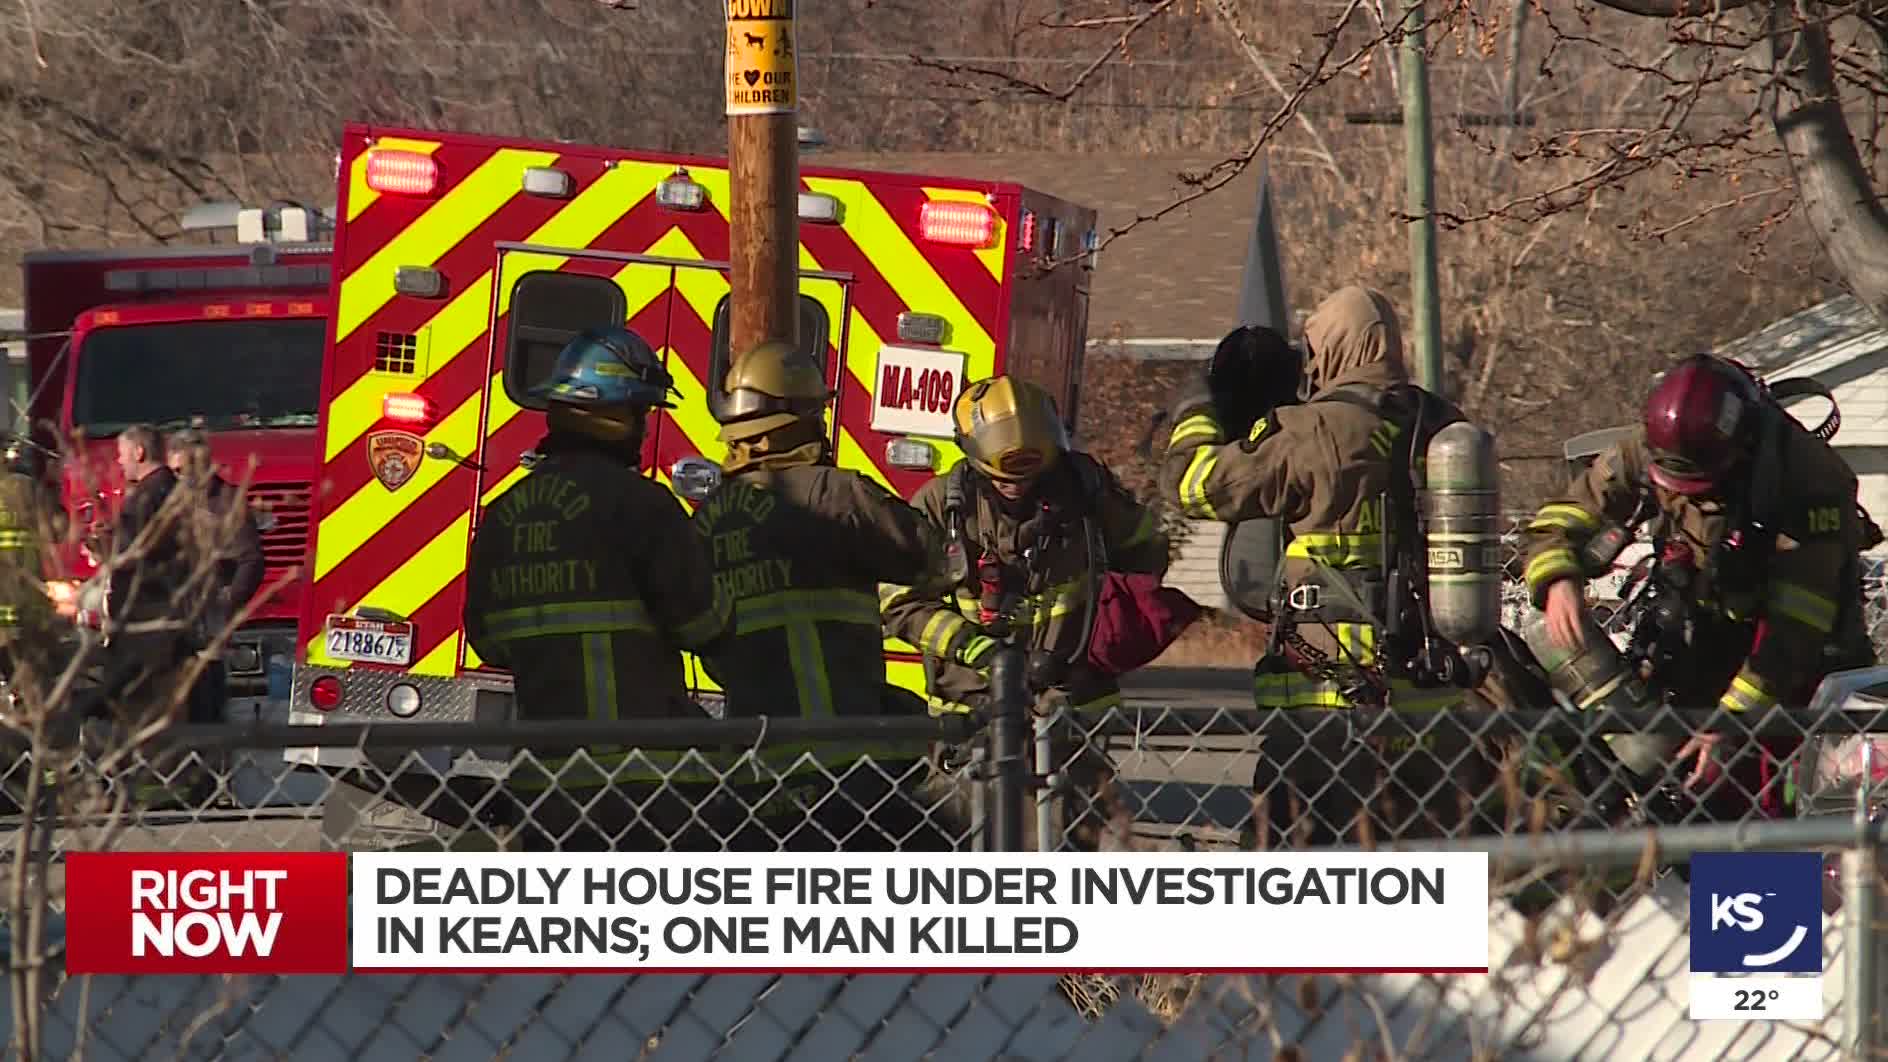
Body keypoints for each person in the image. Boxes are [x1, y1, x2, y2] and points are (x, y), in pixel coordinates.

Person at [1159, 286, 1499, 849]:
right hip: (1432, 697)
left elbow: (1192, 485)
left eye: (1315, 349)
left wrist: (1199, 405)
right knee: (1426, 860)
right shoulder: (1439, 422)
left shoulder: (1315, 430)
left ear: (1339, 347)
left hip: (1329, 702)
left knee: (1294, 862)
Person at [1521, 352, 1877, 822]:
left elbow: (1796, 630)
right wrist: (1557, 578)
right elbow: (1565, 514)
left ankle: (1770, 874)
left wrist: (1731, 720)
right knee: (1683, 796)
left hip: (1797, 675)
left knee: (1769, 807)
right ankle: (1692, 868)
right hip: (1702, 647)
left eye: (1702, 489)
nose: (1684, 497)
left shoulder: (1807, 479)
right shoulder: (1649, 447)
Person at [462, 326, 734, 850]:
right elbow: (703, 623)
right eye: (641, 413)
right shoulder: (644, 506)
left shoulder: (503, 516)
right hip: (645, 790)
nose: (645, 430)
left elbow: (488, 642)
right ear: (617, 417)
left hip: (547, 792)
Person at [881, 374, 1172, 850]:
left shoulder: (1086, 491)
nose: (1016, 486)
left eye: (1027, 475)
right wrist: (980, 653)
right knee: (958, 846)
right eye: (1002, 477)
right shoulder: (942, 507)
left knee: (1065, 850)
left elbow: (1148, 548)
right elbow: (898, 599)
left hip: (1071, 706)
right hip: (974, 711)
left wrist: (1110, 620)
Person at [694, 339, 954, 850]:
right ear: (802, 417)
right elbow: (931, 559)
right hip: (848, 765)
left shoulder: (709, 519)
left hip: (756, 768)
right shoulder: (837, 493)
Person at [167, 428, 265, 727]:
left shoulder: (227, 501)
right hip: (171, 617)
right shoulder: (169, 501)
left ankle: (210, 750)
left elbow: (251, 560)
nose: (180, 477)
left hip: (208, 621)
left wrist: (227, 601)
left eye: (184, 470)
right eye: (175, 471)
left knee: (207, 701)